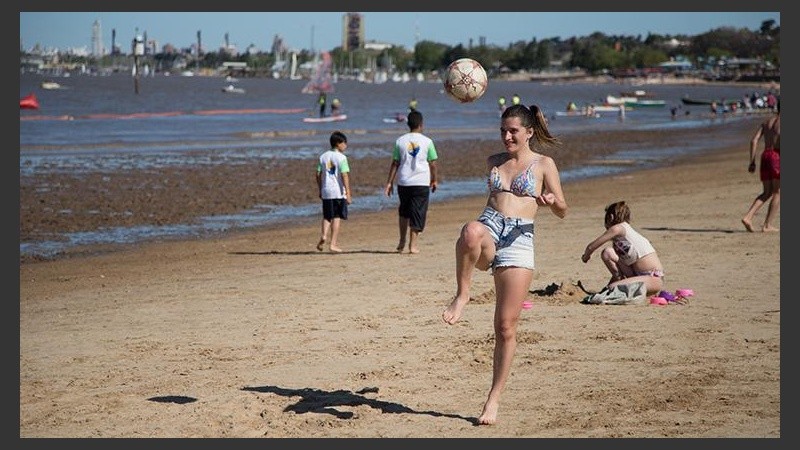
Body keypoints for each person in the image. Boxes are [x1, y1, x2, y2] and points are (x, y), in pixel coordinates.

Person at [441, 104, 567, 425]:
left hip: (520, 237)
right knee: (470, 231)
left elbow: (563, 210)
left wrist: (551, 202)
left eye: (513, 131)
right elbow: (495, 201)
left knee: (505, 327)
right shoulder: (494, 161)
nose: (507, 137)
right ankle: (463, 294)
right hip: (490, 226)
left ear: (529, 132)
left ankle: (493, 399)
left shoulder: (544, 164)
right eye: (502, 131)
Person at [581, 201, 665, 296]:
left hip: (653, 279)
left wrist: (585, 256)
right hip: (636, 275)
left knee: (612, 288)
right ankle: (620, 282)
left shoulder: (618, 228)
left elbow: (591, 246)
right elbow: (618, 267)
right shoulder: (624, 236)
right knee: (607, 252)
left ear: (611, 217)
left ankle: (621, 287)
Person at [384, 110, 438, 254]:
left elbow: (395, 163)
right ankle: (412, 245)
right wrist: (434, 179)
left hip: (404, 181)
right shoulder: (427, 142)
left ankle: (402, 241)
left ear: (408, 124)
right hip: (421, 182)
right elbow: (432, 163)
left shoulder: (400, 141)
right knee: (418, 212)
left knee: (404, 212)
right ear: (421, 124)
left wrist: (389, 183)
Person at [742, 106, 780, 232]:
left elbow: (754, 141)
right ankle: (767, 225)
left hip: (765, 156)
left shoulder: (766, 122)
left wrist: (752, 161)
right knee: (777, 192)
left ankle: (748, 217)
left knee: (767, 192)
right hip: (777, 156)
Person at [316, 131, 352, 253]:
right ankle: (333, 244)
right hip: (338, 192)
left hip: (326, 190)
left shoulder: (323, 156)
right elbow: (344, 175)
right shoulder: (342, 158)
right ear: (338, 143)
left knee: (327, 216)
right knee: (336, 217)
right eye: (344, 143)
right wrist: (348, 193)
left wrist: (320, 188)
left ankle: (323, 235)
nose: (346, 145)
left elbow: (318, 174)